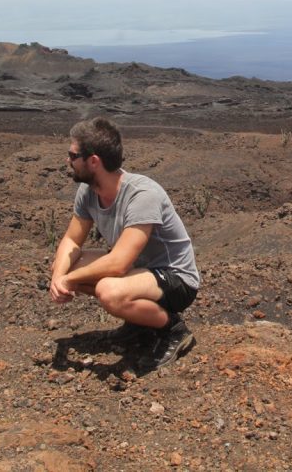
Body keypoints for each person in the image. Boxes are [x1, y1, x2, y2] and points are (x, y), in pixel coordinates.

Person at [48, 117, 200, 370]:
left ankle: (173, 330)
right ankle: (140, 324)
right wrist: (60, 276)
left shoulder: (142, 195)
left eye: (72, 155)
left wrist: (69, 281)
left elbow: (119, 264)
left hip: (175, 278)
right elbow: (72, 239)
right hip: (139, 271)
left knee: (110, 291)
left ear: (93, 161)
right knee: (66, 265)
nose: (68, 160)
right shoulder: (88, 191)